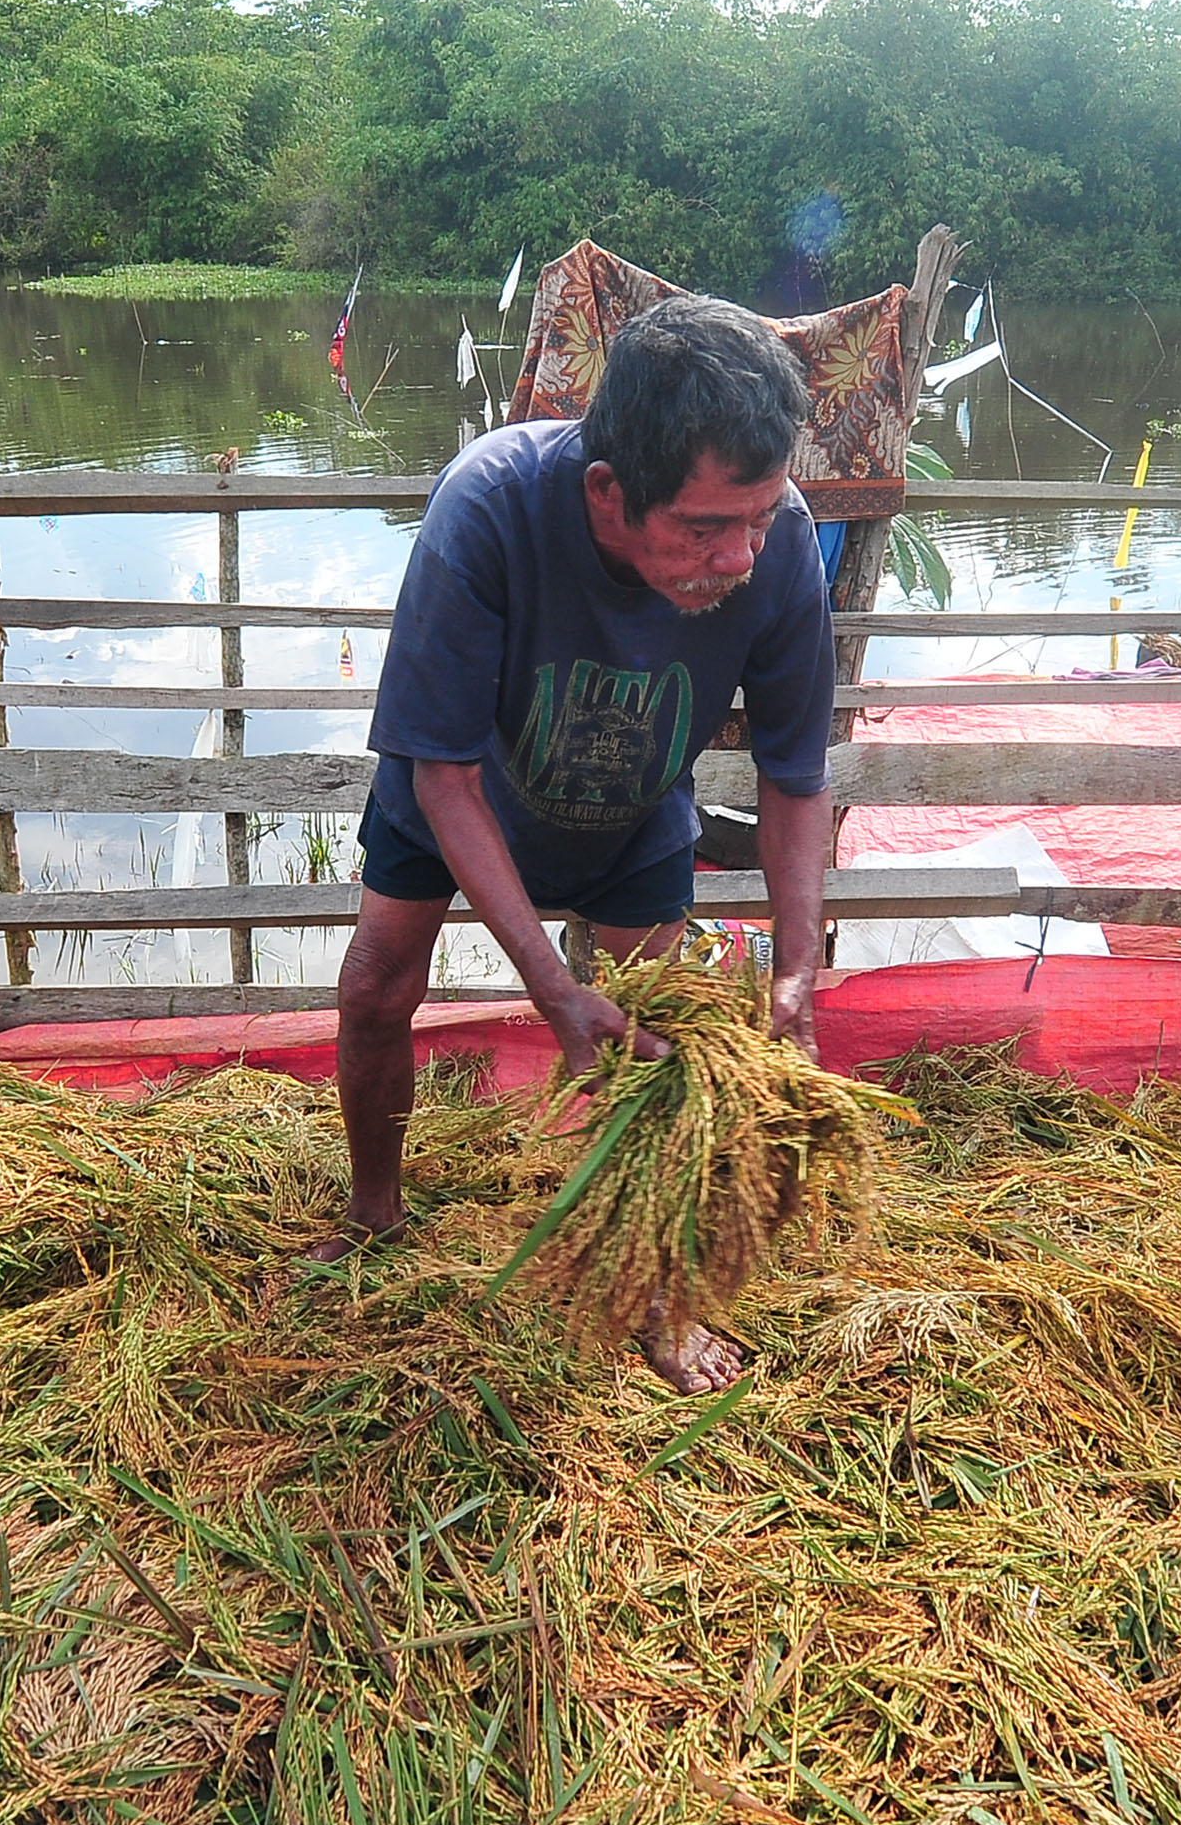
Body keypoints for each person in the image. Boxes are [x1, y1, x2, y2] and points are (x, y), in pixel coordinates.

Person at [325, 294, 836, 1390]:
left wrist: (798, 967)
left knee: (645, 1056)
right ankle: (374, 1212)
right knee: (372, 989)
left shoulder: (780, 545)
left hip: (634, 799)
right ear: (609, 490)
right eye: (705, 527)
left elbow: (797, 779)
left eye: (759, 515)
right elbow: (444, 771)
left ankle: (656, 1298)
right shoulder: (490, 509)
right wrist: (548, 983)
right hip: (464, 790)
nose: (739, 555)